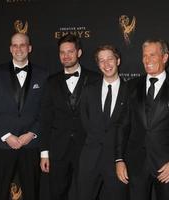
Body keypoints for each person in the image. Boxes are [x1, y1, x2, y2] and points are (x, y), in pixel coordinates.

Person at [116, 39, 169, 200]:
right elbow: (123, 125)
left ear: (165, 57)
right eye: (144, 56)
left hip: (167, 167)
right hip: (136, 164)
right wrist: (119, 159)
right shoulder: (130, 86)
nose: (147, 60)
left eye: (152, 55)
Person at [0, 32, 47, 200]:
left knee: (32, 192)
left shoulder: (43, 74)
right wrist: (7, 135)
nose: (19, 48)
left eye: (23, 44)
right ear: (10, 49)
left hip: (30, 144)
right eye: (15, 45)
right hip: (2, 143)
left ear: (29, 48)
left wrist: (31, 134)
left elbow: (45, 109)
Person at [40, 34, 99, 200]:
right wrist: (44, 153)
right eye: (62, 52)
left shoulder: (95, 79)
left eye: (70, 51)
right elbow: (45, 118)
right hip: (58, 149)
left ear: (79, 52)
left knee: (87, 194)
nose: (66, 56)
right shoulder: (51, 82)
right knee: (57, 193)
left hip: (87, 148)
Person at [77, 44, 128, 200]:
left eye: (110, 59)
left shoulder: (130, 91)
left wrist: (121, 158)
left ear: (118, 61)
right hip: (89, 159)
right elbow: (85, 121)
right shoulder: (88, 90)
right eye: (101, 61)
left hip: (117, 162)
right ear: (98, 64)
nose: (106, 64)